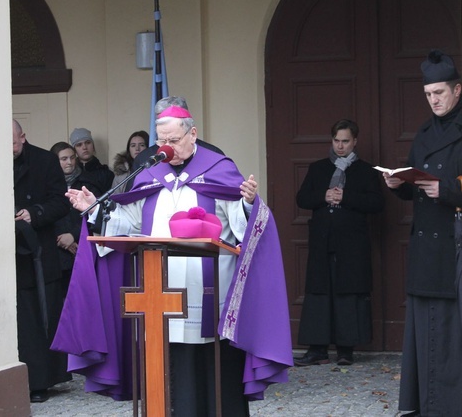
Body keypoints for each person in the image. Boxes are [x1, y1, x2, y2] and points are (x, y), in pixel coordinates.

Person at [52, 105, 292, 413]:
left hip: (210, 297)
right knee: (168, 371)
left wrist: (247, 204)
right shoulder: (150, 174)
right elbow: (128, 224)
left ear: (193, 134)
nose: (167, 148)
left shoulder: (219, 169)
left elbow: (244, 229)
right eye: (162, 140)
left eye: (175, 140)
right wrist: (96, 209)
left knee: (214, 374)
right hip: (158, 298)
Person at [382, 50, 462, 416]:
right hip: (425, 246)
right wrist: (397, 183)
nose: (434, 100)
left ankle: (447, 405)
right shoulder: (424, 132)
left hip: (452, 244)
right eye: (429, 94)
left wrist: (448, 191)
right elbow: (416, 177)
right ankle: (423, 405)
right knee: (424, 329)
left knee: (449, 332)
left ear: (457, 90)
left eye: (440, 93)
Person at [294, 119, 384, 367]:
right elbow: (302, 198)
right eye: (336, 141)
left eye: (345, 141)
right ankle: (317, 349)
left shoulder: (366, 171)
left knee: (348, 292)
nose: (340, 146)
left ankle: (346, 350)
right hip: (322, 240)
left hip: (352, 243)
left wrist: (346, 197)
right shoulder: (318, 168)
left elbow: (377, 204)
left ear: (355, 141)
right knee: (319, 293)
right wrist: (324, 196)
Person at [12, 120, 72, 403]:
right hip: (5, 255)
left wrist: (33, 214)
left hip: (38, 254)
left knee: (40, 318)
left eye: (12, 143)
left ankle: (41, 381)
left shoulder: (45, 161)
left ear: (23, 137)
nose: (8, 149)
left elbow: (60, 203)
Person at [50, 141, 104, 296]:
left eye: (72, 158)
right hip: (57, 252)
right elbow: (47, 214)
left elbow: (95, 214)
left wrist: (73, 236)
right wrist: (61, 239)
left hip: (83, 247)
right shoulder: (48, 184)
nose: (69, 162)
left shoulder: (88, 184)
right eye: (64, 159)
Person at [69, 127, 115, 191]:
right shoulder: (69, 174)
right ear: (74, 150)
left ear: (93, 146)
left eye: (88, 142)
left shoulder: (106, 173)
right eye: (79, 145)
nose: (84, 147)